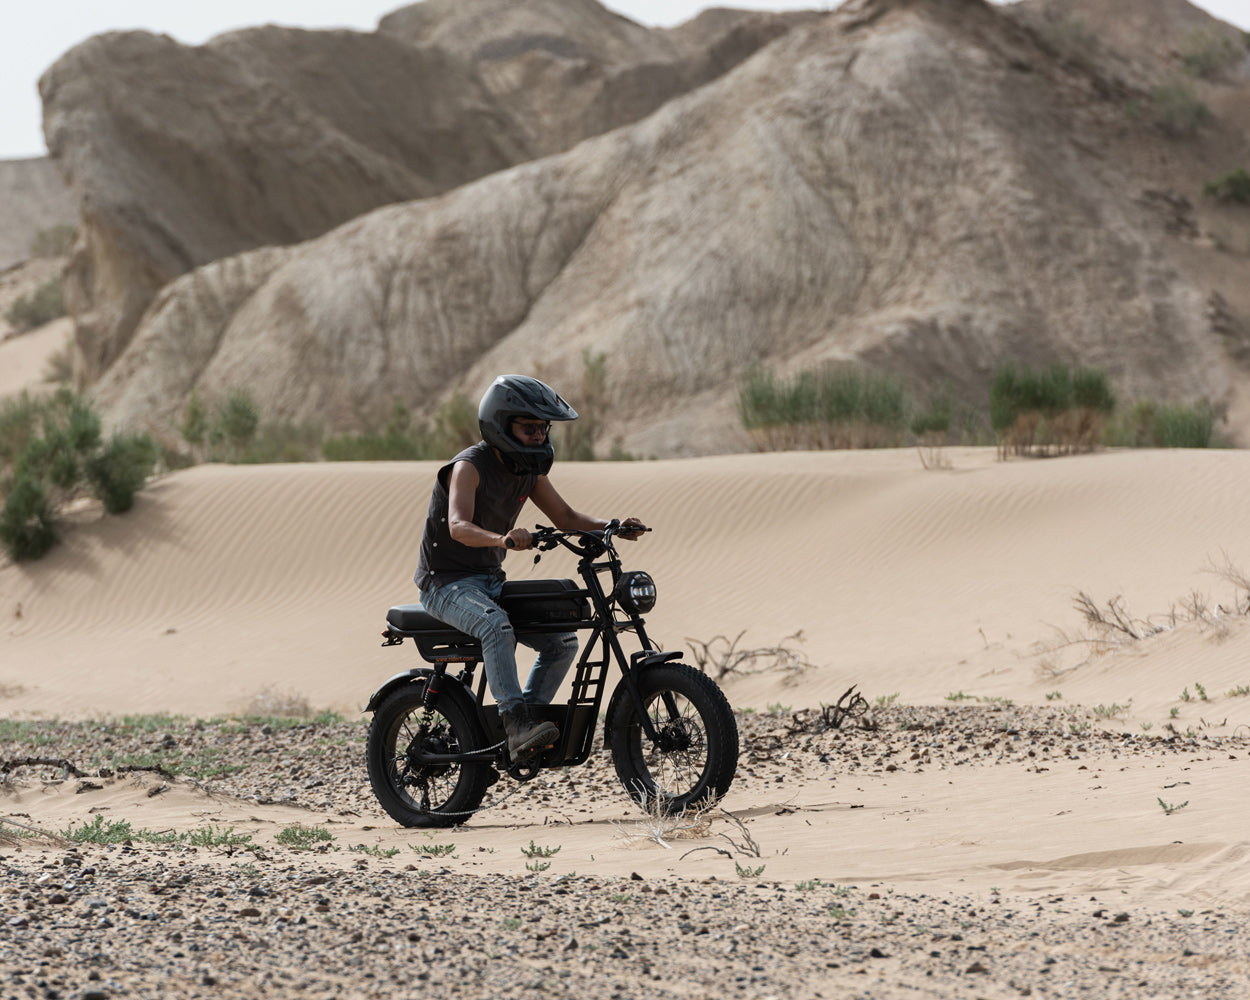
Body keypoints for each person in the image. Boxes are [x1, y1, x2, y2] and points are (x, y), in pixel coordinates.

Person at [414, 374, 647, 758]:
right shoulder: (468, 467)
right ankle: (515, 724)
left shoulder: (528, 471)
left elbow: (565, 515)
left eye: (543, 428)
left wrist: (614, 527)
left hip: (488, 582)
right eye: (529, 428)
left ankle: (530, 726)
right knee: (495, 625)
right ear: (501, 425)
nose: (538, 436)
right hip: (445, 585)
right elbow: (457, 526)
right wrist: (501, 539)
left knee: (562, 641)